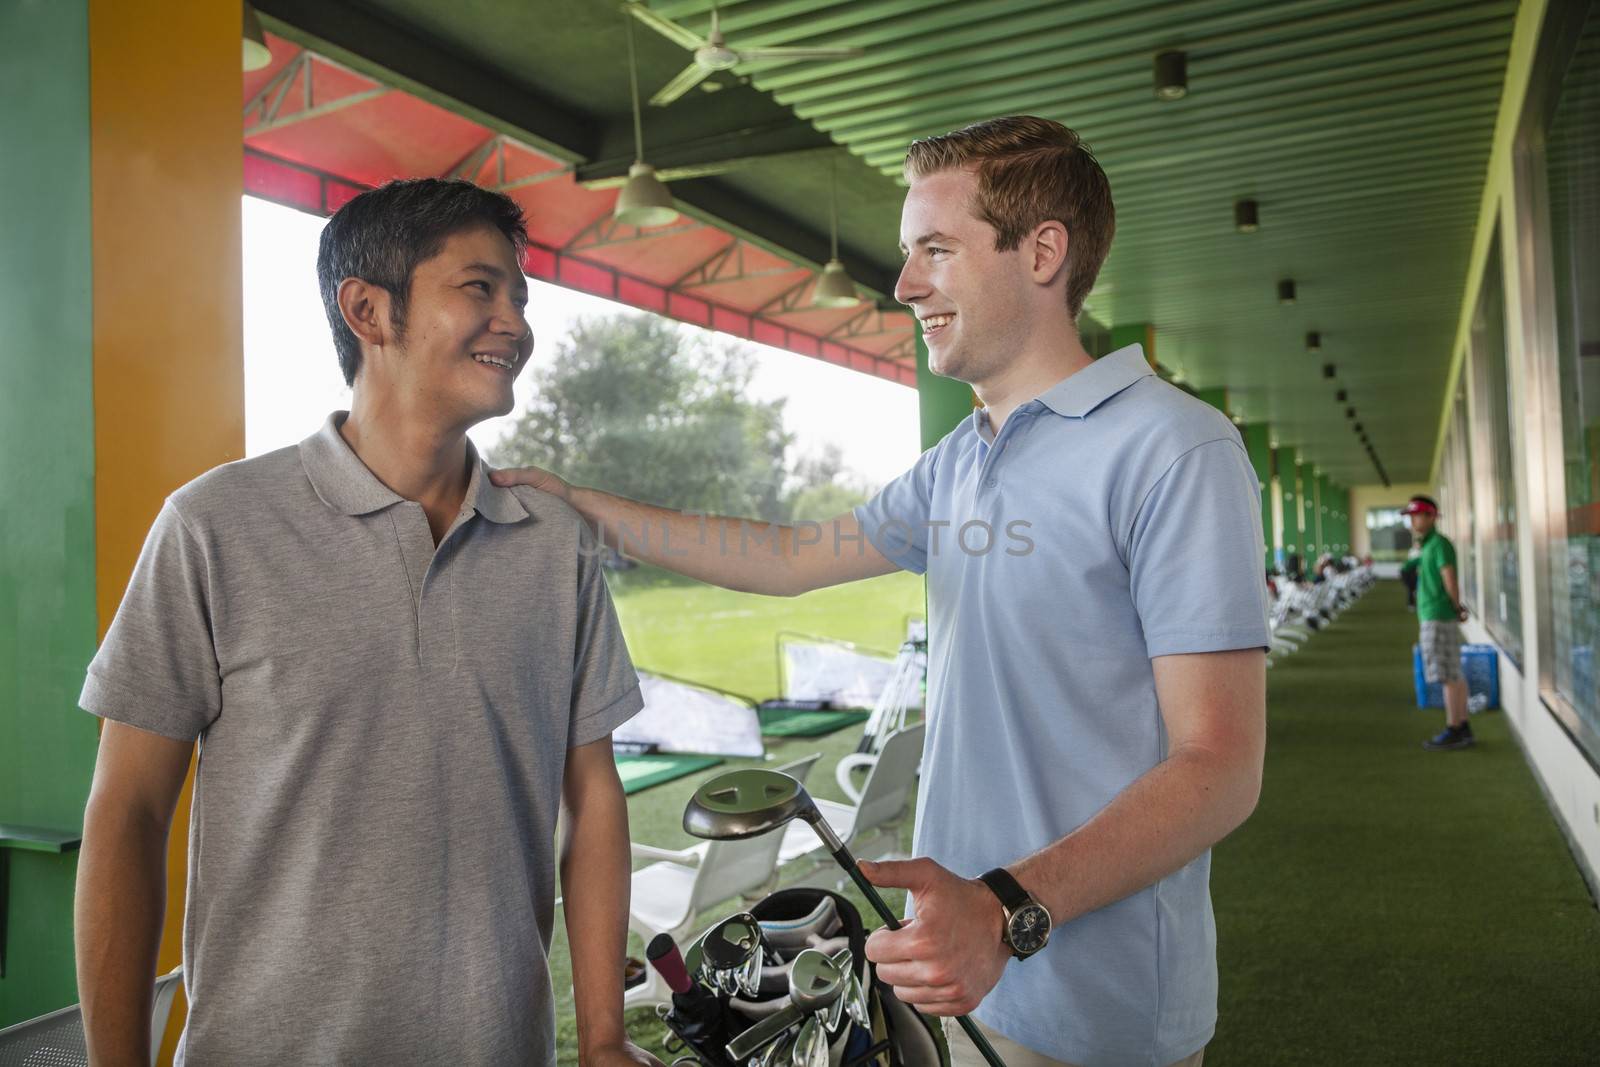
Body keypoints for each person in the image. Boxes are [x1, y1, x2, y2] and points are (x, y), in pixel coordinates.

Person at [493, 115, 1269, 1067]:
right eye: (909, 254)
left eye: (936, 251)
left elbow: (1219, 766)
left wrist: (1007, 905)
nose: (904, 286)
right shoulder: (957, 463)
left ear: (1043, 252)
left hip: (1091, 1010)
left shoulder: (1174, 449)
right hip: (946, 971)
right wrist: (583, 505)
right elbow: (785, 557)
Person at [74, 178, 660, 1066]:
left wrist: (606, 1037)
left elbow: (593, 795)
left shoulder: (556, 548)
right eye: (480, 288)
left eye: (520, 296)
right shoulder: (213, 527)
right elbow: (128, 813)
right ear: (368, 310)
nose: (516, 322)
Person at [1399, 494, 1473, 750]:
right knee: (1453, 672)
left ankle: (1455, 728)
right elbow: (1410, 568)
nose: (1412, 521)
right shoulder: (1427, 545)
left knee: (1447, 675)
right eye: (1410, 516)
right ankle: (1462, 726)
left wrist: (1456, 606)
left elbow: (1449, 578)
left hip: (1438, 616)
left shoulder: (1439, 544)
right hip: (1437, 615)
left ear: (1431, 516)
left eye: (1416, 515)